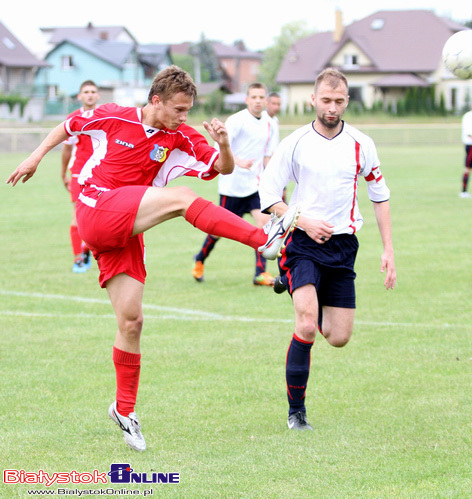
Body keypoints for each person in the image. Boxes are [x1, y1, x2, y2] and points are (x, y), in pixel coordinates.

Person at [7, 65, 299, 451]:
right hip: (95, 207)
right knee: (181, 198)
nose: (184, 116)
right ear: (156, 101)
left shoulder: (181, 136)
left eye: (189, 110)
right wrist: (35, 157)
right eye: (178, 109)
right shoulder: (115, 115)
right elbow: (68, 125)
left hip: (127, 228)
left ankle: (124, 410)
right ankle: (263, 239)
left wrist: (225, 145)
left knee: (132, 321)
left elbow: (221, 168)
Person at [258, 68, 396, 431]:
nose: (331, 108)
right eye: (325, 100)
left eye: (338, 101)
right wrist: (302, 221)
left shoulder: (361, 144)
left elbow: (379, 197)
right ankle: (296, 413)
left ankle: (291, 284)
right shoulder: (296, 142)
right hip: (303, 243)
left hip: (344, 246)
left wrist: (388, 250)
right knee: (305, 326)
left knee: (338, 337)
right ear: (313, 100)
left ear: (347, 101)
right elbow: (268, 196)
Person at [192, 83, 280, 286]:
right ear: (247, 99)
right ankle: (200, 259)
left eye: (261, 97)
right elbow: (219, 145)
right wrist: (239, 162)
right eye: (254, 97)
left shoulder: (271, 124)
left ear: (266, 100)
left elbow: (268, 157)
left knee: (264, 225)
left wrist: (275, 181)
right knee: (217, 231)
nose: (258, 100)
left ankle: (260, 273)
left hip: (255, 187)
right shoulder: (237, 120)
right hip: (232, 187)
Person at [61, 80, 100, 273]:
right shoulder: (74, 118)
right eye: (86, 92)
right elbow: (67, 148)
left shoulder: (107, 116)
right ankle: (78, 259)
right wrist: (63, 173)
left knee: (100, 217)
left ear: (98, 96)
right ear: (80, 96)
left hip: (102, 173)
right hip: (78, 173)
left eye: (93, 91)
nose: (90, 95)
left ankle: (87, 248)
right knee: (77, 217)